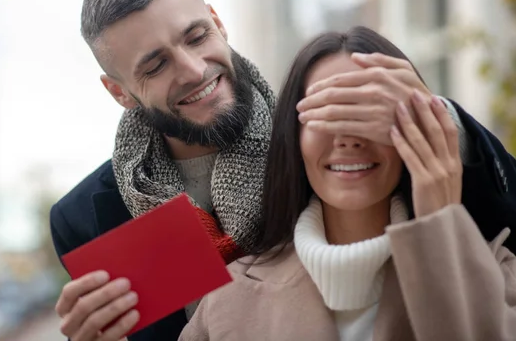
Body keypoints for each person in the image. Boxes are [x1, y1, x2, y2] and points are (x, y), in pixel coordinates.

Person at [50, 0, 516, 341]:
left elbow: (493, 219)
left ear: (217, 22)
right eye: (155, 65)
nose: (193, 69)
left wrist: (433, 121)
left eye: (196, 37)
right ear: (119, 92)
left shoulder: (320, 143)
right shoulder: (86, 218)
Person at [178, 26, 516, 341]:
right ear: (294, 138)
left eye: (368, 113)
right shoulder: (228, 301)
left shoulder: (496, 272)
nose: (348, 138)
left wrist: (438, 222)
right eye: (326, 113)